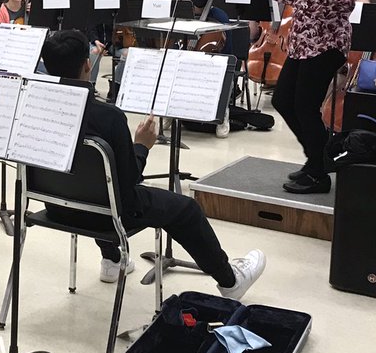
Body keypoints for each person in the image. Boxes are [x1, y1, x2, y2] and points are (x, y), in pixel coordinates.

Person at [40, 31, 266, 293]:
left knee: (91, 186)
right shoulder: (109, 118)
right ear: (87, 65)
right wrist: (142, 146)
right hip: (107, 216)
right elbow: (128, 182)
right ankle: (231, 281)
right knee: (186, 209)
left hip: (57, 206)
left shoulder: (36, 106)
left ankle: (113, 260)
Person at [250, 0, 358, 194]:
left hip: (326, 43)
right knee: (283, 100)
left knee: (304, 106)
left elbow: (346, 2)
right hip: (302, 41)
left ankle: (319, 171)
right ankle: (318, 158)